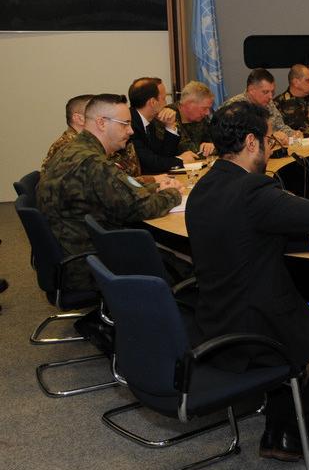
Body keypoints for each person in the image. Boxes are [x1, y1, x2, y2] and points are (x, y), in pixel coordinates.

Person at [186, 101, 309, 464]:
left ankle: (282, 423)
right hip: (261, 330)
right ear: (251, 142)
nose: (271, 146)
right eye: (268, 139)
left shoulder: (205, 187)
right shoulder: (252, 190)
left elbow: (248, 236)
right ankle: (294, 428)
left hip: (216, 322)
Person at [37, 93, 183, 303]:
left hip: (73, 250)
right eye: (125, 124)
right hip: (89, 264)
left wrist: (156, 186)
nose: (131, 131)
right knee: (177, 267)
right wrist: (173, 193)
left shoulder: (74, 149)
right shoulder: (93, 162)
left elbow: (120, 187)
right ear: (101, 123)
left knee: (167, 257)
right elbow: (140, 208)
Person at [129, 77, 201, 175]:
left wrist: (170, 126)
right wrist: (180, 160)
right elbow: (149, 163)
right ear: (153, 102)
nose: (166, 103)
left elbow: (163, 154)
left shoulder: (148, 123)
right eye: (163, 99)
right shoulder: (130, 124)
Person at [222, 68, 300, 145]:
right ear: (251, 90)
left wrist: (293, 134)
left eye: (272, 92)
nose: (270, 96)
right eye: (265, 92)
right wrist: (271, 137)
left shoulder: (268, 103)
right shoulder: (234, 106)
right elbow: (236, 140)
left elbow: (280, 127)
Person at [158, 81, 216, 157]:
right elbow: (187, 150)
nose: (207, 113)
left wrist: (211, 146)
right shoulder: (167, 116)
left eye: (209, 108)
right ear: (189, 104)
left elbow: (220, 145)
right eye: (204, 108)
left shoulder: (201, 118)